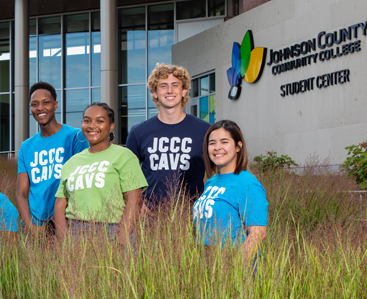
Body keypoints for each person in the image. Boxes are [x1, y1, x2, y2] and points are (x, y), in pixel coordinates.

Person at [53, 103, 148, 245]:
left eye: (100, 121)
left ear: (111, 126)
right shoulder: (71, 163)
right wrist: (63, 237)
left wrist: (122, 236)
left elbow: (134, 199)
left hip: (113, 230)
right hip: (76, 232)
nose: (92, 125)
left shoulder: (124, 156)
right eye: (87, 120)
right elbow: (60, 205)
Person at [126, 64, 210, 211]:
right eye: (163, 86)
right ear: (154, 92)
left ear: (184, 91)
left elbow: (217, 172)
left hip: (191, 213)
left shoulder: (205, 130)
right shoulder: (139, 132)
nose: (170, 90)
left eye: (175, 85)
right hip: (150, 215)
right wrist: (138, 203)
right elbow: (127, 174)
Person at [16, 82, 88, 236]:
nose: (40, 108)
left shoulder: (76, 137)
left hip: (66, 224)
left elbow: (78, 186)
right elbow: (21, 193)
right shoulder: (26, 146)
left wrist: (52, 226)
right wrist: (30, 228)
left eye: (46, 102)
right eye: (35, 104)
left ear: (55, 105)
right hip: (33, 226)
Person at [192, 120, 268, 261]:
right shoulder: (211, 182)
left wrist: (234, 270)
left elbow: (258, 234)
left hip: (235, 265)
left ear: (238, 147)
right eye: (212, 143)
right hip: (209, 265)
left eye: (224, 142)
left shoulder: (248, 183)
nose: (217, 147)